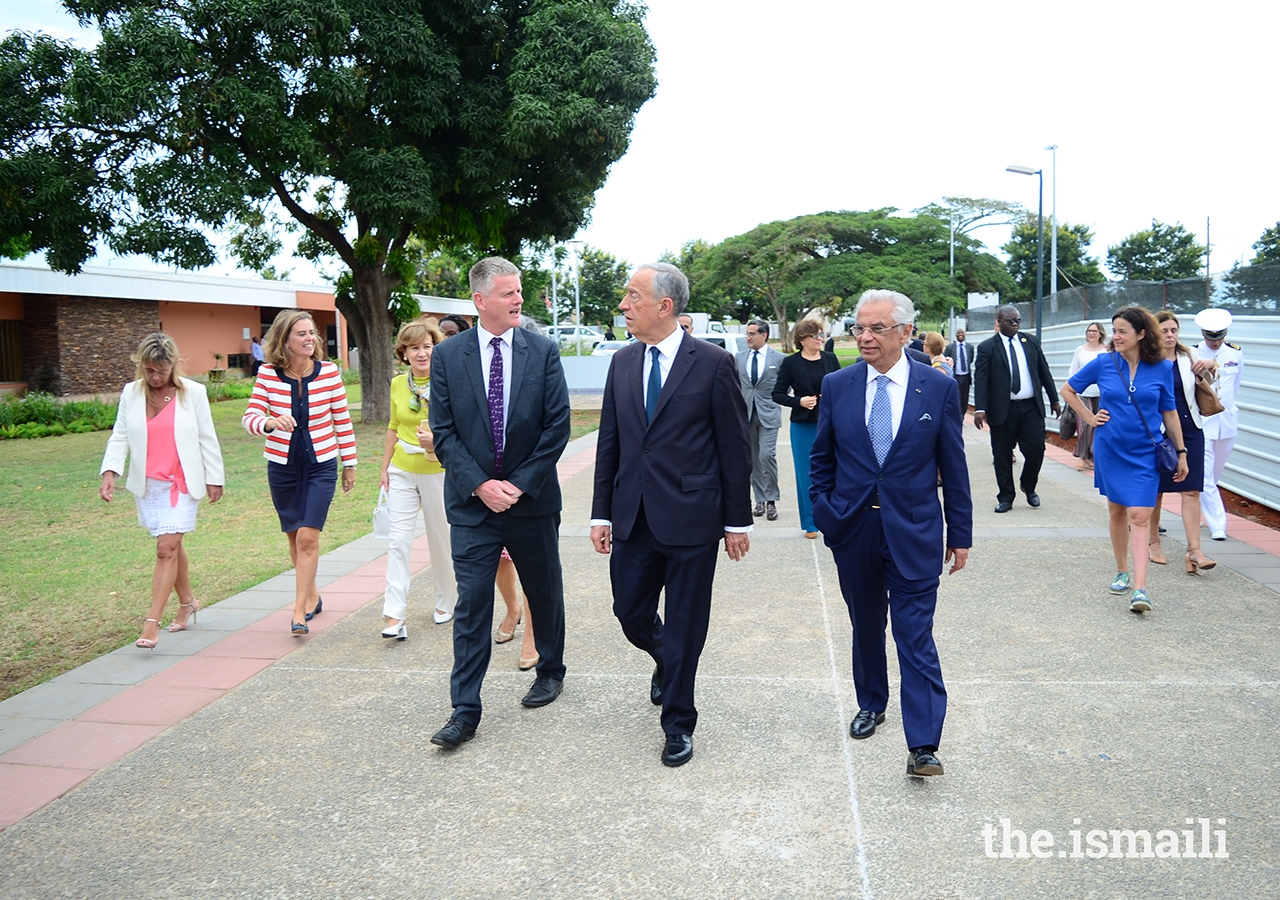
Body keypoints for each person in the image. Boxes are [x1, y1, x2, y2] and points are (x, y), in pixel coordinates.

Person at [590, 262, 752, 768]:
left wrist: (737, 521)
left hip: (692, 520)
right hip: (632, 517)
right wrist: (600, 514)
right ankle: (664, 658)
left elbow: (734, 445)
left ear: (665, 306)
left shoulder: (713, 362)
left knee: (686, 626)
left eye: (632, 296)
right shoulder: (620, 363)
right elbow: (610, 444)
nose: (623, 305)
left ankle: (679, 722)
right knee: (629, 613)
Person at [809, 290, 971, 779]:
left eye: (877, 328)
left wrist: (959, 533)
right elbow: (821, 460)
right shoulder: (837, 385)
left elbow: (954, 466)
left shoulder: (937, 388)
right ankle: (871, 702)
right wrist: (825, 511)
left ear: (905, 332)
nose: (864, 337)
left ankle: (923, 743)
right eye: (859, 328)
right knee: (865, 624)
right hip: (853, 529)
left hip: (916, 530)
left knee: (914, 634)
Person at [427, 257, 571, 749]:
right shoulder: (449, 357)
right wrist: (482, 485)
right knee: (473, 603)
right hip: (472, 506)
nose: (519, 300)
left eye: (520, 291)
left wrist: (519, 484)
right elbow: (443, 433)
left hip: (531, 502)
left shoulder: (543, 351)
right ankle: (465, 710)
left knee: (544, 589)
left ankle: (551, 669)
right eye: (509, 293)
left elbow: (557, 427)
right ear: (480, 300)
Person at [100, 333, 225, 649]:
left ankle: (151, 622)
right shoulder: (132, 393)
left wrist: (215, 478)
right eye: (149, 370)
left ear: (173, 366)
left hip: (181, 484)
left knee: (166, 548)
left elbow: (206, 437)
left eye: (161, 370)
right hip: (149, 486)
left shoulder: (192, 393)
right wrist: (110, 471)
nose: (155, 377)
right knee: (171, 544)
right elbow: (120, 435)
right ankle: (187, 602)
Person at [1061, 307, 1188, 614]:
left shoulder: (1160, 368)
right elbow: (1068, 390)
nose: (1115, 337)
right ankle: (1122, 571)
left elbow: (1169, 413)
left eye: (1122, 331)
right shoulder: (1104, 363)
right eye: (1114, 330)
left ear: (1141, 334)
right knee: (1117, 511)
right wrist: (1090, 417)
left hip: (1146, 450)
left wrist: (1181, 453)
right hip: (1111, 448)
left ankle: (1141, 588)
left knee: (1141, 515)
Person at [242, 310, 357, 635]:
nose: (310, 339)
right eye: (302, 334)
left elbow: (342, 421)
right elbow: (250, 415)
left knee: (308, 537)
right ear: (285, 341)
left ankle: (298, 612)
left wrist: (349, 464)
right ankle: (312, 595)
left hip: (321, 466)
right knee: (294, 536)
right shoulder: (268, 374)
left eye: (312, 333)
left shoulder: (329, 373)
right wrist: (268, 422)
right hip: (282, 468)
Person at [378, 317, 457, 641]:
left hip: (438, 471)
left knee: (441, 540)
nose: (422, 353)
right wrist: (383, 468)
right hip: (402, 470)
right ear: (404, 352)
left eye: (427, 346)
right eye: (414, 348)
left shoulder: (447, 380)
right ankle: (393, 614)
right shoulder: (398, 384)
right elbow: (393, 427)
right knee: (398, 541)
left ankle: (446, 600)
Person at [973, 305, 1061, 513]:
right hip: (1003, 409)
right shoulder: (987, 347)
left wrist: (1054, 399)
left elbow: (1044, 371)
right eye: (1010, 321)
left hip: (1031, 407)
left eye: (1018, 321)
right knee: (1002, 455)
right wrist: (980, 408)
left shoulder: (1030, 342)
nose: (1015, 324)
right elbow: (981, 379)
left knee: (1036, 449)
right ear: (999, 322)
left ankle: (1028, 486)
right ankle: (1006, 496)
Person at [1148, 311, 1217, 573]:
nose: (1170, 335)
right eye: (1164, 330)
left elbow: (1208, 385)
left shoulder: (1189, 356)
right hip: (1159, 430)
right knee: (1157, 489)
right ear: (1154, 332)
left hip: (1191, 426)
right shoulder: (1148, 360)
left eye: (1173, 330)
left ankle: (1194, 550)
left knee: (1191, 489)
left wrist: (1209, 369)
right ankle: (1153, 541)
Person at [772, 318, 839, 539]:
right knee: (807, 474)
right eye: (815, 335)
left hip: (831, 423)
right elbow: (777, 393)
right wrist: (799, 401)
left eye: (821, 334)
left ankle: (834, 517)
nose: (820, 339)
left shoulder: (830, 358)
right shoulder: (791, 363)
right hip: (803, 424)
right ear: (802, 339)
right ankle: (810, 523)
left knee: (835, 470)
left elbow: (842, 387)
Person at [1193, 308, 1244, 542]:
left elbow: (1235, 385)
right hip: (1204, 421)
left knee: (1214, 475)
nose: (1215, 342)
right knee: (1204, 476)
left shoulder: (1236, 353)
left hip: (1227, 421)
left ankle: (1208, 514)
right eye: (1210, 337)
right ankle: (1217, 525)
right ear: (1203, 333)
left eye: (1219, 336)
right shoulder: (1192, 354)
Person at [736, 319, 784, 521]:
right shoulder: (739, 357)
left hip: (769, 413)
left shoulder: (779, 358)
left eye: (752, 334)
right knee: (752, 459)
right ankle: (760, 500)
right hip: (745, 413)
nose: (748, 337)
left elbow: (784, 386)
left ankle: (771, 500)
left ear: (764, 335)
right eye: (747, 333)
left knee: (767, 455)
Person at [1067, 323, 1108, 470]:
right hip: (1082, 393)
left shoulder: (1106, 350)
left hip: (1100, 394)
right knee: (1085, 425)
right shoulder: (1080, 350)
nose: (1091, 333)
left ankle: (1090, 456)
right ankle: (1082, 457)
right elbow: (1074, 369)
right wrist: (1072, 387)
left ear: (1100, 333)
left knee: (1097, 426)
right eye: (1089, 331)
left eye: (1094, 331)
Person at [944, 329, 972, 418]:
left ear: (965, 335)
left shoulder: (970, 347)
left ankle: (962, 416)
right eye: (958, 333)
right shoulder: (950, 347)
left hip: (966, 376)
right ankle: (957, 416)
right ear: (956, 335)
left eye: (962, 333)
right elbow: (946, 360)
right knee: (956, 397)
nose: (960, 334)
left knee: (965, 398)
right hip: (956, 376)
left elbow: (970, 360)